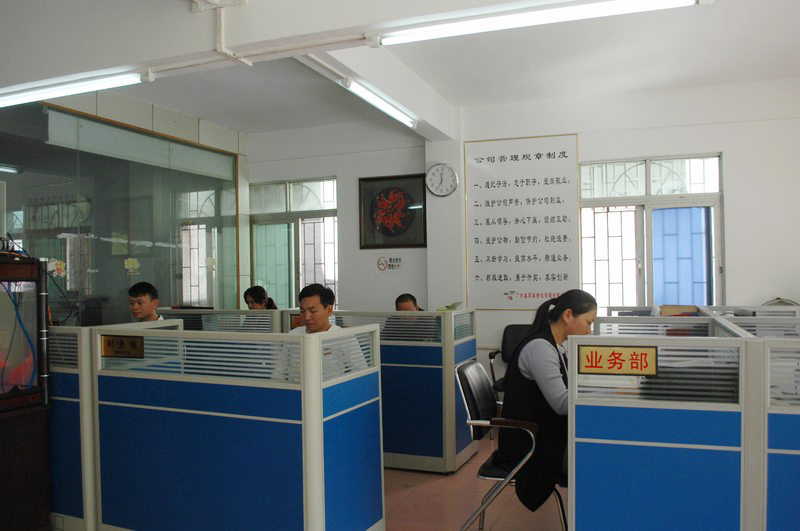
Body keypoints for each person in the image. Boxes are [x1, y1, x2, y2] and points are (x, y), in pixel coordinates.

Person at [494, 289, 597, 512]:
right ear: (568, 315)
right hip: (528, 443)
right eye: (588, 323)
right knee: (596, 459)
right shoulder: (540, 348)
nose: (589, 330)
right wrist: (600, 395)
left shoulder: (556, 345)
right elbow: (562, 404)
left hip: (541, 432)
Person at [283, 283, 367, 379]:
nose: (306, 317)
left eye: (313, 311)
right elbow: (278, 373)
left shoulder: (343, 337)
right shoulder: (293, 336)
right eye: (302, 311)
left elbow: (361, 374)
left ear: (329, 310)